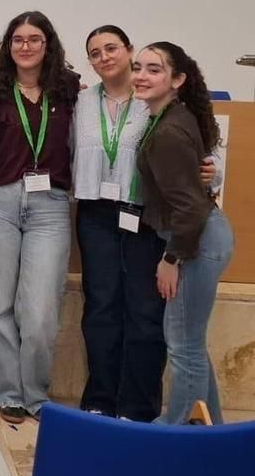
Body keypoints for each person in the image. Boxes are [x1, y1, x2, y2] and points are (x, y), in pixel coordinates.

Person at [73, 26, 219, 421]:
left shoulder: (154, 100)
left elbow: (202, 157)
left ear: (128, 51)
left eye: (112, 48)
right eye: (95, 52)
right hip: (96, 213)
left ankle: (136, 408)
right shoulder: (81, 101)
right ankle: (100, 400)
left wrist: (212, 172)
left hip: (144, 216)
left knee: (143, 312)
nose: (104, 57)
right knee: (101, 308)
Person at [0, 11, 79, 423]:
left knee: (39, 310)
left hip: (50, 206)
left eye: (35, 39)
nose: (26, 46)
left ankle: (36, 394)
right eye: (18, 39)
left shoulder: (70, 90)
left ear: (48, 45)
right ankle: (7, 393)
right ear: (8, 46)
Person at [132, 41, 233, 424]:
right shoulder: (171, 116)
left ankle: (174, 435)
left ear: (177, 80)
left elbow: (189, 207)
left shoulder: (168, 132)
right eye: (138, 67)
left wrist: (171, 258)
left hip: (196, 243)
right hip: (202, 237)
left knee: (183, 346)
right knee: (191, 345)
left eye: (154, 69)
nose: (141, 76)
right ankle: (213, 431)